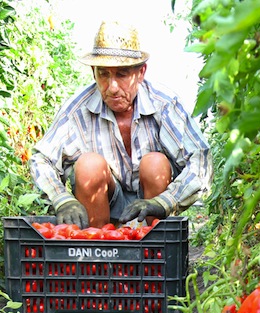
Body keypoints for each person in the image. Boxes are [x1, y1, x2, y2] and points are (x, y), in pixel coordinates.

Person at [29, 21, 212, 228]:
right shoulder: (77, 109)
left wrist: (164, 201)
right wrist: (62, 199)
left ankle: (155, 248)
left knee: (155, 164)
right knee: (89, 166)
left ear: (141, 73)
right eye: (104, 74)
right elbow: (41, 159)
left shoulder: (164, 104)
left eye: (122, 74)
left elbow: (200, 159)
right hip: (104, 203)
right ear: (93, 73)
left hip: (153, 203)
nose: (113, 87)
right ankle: (96, 248)